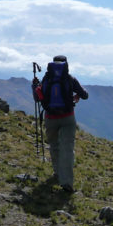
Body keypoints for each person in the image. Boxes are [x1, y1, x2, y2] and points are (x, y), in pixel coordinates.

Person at [32, 55, 88, 192]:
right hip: (68, 117)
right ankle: (67, 182)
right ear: (66, 64)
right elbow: (85, 95)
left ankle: (57, 172)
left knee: (54, 145)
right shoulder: (70, 79)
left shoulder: (46, 79)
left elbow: (37, 98)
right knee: (67, 149)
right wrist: (77, 95)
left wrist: (34, 86)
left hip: (50, 118)